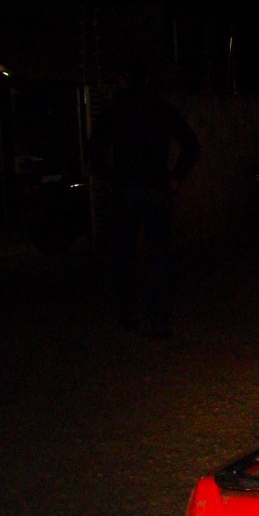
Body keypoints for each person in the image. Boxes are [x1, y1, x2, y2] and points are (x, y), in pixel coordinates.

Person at [87, 67, 200, 338]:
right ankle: (159, 321)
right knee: (158, 257)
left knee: (125, 255)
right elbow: (191, 144)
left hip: (126, 189)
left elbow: (94, 147)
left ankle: (129, 314)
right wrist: (175, 177)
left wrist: (108, 176)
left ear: (122, 81)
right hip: (156, 190)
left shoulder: (115, 108)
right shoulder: (161, 108)